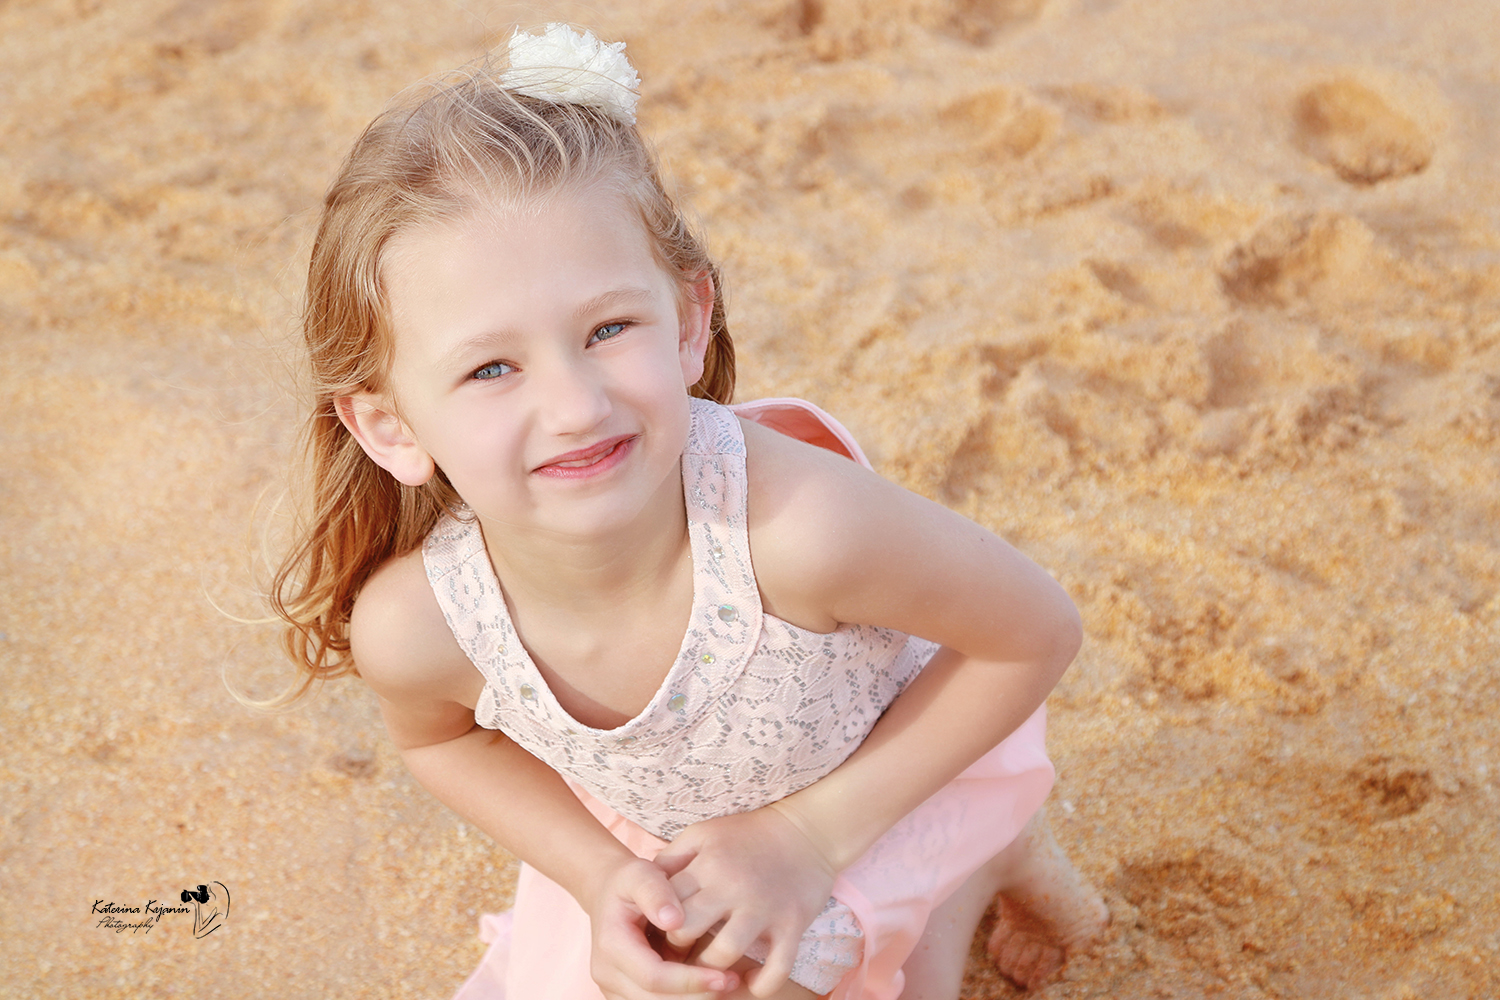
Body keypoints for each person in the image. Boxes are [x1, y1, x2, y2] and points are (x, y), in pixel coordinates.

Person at [270, 22, 1107, 1000]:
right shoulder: (421, 624)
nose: (576, 403)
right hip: (671, 833)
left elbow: (1033, 632)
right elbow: (441, 741)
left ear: (689, 322)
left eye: (608, 328)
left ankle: (979, 865)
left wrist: (806, 836)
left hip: (890, 776)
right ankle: (984, 874)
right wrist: (596, 875)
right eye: (492, 367)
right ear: (390, 425)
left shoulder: (796, 531)